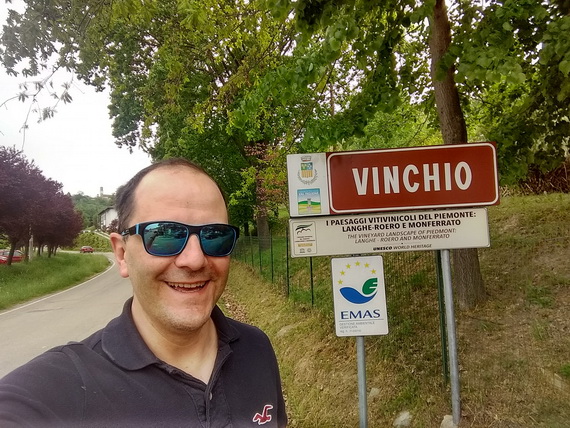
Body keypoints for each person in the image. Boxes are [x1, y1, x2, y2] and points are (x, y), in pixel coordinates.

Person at [0, 158, 287, 427]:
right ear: (122, 254)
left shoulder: (256, 348)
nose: (195, 260)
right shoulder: (57, 392)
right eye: (164, 235)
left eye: (215, 236)